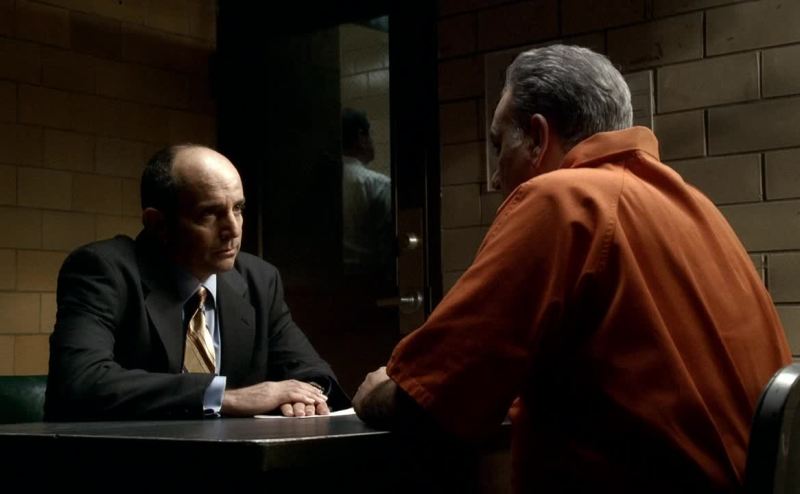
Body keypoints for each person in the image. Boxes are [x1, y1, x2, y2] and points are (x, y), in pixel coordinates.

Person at [353, 45, 791, 492]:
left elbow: (431, 400)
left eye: (499, 145)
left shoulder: (563, 201)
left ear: (538, 138)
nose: (495, 178)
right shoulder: (694, 206)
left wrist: (376, 391)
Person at [45, 144, 350, 421]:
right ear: (157, 224)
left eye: (238, 209)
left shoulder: (259, 279)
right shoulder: (103, 270)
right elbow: (80, 381)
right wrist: (224, 397)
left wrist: (304, 397)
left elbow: (313, 372)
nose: (233, 229)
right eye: (209, 214)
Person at [340, 108, 392, 277]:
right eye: (370, 136)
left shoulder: (319, 183)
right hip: (369, 278)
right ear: (361, 138)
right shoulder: (378, 185)